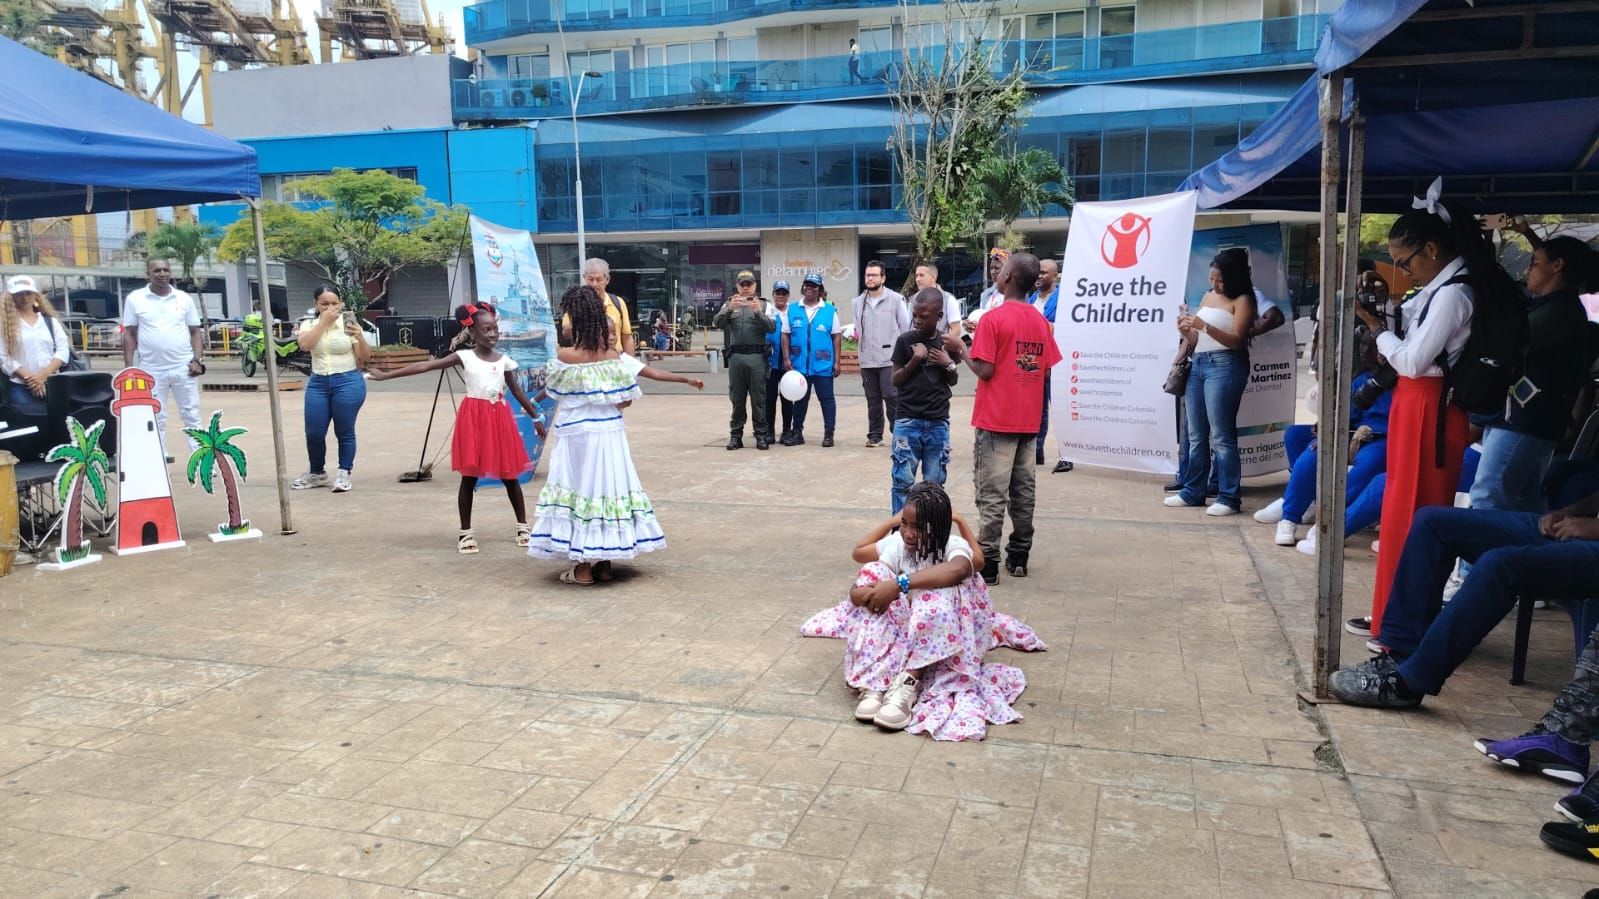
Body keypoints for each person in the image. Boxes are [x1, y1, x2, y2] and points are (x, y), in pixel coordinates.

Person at [800, 481, 1047, 739]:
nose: (908, 533)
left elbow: (962, 568)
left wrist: (899, 584)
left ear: (940, 528)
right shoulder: (899, 543)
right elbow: (860, 562)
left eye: (919, 527)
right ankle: (875, 682)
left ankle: (909, 683)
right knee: (874, 572)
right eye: (905, 523)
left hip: (951, 628)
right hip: (910, 622)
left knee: (936, 592)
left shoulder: (952, 545)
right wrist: (864, 593)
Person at [1347, 194, 1487, 645]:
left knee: (1414, 514)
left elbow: (1411, 360)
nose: (1404, 272)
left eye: (1406, 262)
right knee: (1399, 509)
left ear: (1432, 250)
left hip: (1430, 406)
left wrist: (1377, 331)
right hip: (1420, 404)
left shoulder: (1454, 293)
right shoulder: (1441, 288)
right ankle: (1392, 615)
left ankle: (1401, 626)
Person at [1326, 483, 1599, 712]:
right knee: (1432, 522)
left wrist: (1592, 528)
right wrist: (1570, 513)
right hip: (1584, 530)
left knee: (1500, 565)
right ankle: (1398, 656)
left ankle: (1410, 684)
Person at [527, 285, 704, 585]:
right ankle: (605, 563)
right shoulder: (614, 358)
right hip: (609, 434)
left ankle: (582, 567)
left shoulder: (565, 357)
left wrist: (534, 405)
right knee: (607, 490)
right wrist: (686, 379)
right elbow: (626, 398)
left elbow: (553, 391)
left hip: (575, 436)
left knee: (580, 492)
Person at [368, 304, 543, 555]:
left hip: (499, 419)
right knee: (469, 477)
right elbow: (425, 367)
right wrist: (385, 376)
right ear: (474, 332)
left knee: (509, 474)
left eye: (495, 329)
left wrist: (536, 419)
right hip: (474, 418)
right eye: (486, 329)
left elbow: (517, 392)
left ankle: (523, 527)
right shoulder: (464, 357)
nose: (492, 334)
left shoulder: (504, 361)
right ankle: (465, 532)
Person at [1466, 237, 1597, 516]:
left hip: (1526, 419)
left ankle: (1478, 561)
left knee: (1488, 496)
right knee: (1523, 505)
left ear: (1557, 266)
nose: (1528, 271)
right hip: (1528, 419)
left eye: (1535, 263)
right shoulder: (1556, 308)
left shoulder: (1560, 311)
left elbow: (1508, 343)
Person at [966, 251, 1060, 584]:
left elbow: (985, 370)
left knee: (992, 493)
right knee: (1024, 490)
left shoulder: (992, 320)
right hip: (1028, 420)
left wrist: (959, 348)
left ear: (1006, 279)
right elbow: (1045, 370)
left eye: (1001, 268)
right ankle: (1019, 555)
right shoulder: (1039, 321)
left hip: (996, 420)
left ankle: (988, 561)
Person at [1255, 332, 1392, 547]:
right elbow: (1347, 413)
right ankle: (1290, 516)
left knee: (1369, 465)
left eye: (1372, 346)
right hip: (1349, 432)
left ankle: (1329, 517)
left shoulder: (1398, 381)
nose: (1365, 350)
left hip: (1377, 438)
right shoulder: (1361, 378)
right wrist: (1331, 424)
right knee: (1313, 450)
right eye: (1363, 345)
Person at [1164, 248, 1256, 516]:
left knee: (1222, 436)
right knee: (1195, 434)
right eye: (1212, 279)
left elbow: (1238, 340)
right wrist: (1186, 331)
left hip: (1225, 365)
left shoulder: (1243, 300)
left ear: (1234, 277)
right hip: (1199, 363)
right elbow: (1196, 340)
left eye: (1220, 280)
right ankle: (1193, 491)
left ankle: (1228, 497)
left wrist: (1205, 327)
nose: (1214, 285)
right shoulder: (1207, 296)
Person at [889, 289, 962, 513]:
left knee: (934, 483)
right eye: (916, 315)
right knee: (903, 481)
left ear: (939, 316)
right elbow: (895, 380)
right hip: (907, 420)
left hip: (937, 421)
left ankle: (931, 528)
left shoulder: (946, 342)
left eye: (924, 316)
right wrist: (914, 360)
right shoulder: (905, 341)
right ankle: (900, 531)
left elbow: (953, 380)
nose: (918, 321)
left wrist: (947, 362)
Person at [291, 286, 371, 493]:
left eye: (335, 303)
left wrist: (360, 336)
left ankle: (344, 473)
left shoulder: (348, 324)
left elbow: (365, 357)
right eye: (324, 304)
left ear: (341, 303)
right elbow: (305, 345)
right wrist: (323, 323)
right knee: (314, 432)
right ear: (316, 304)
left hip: (348, 380)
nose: (330, 308)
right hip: (318, 382)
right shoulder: (309, 324)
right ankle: (317, 473)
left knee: (344, 431)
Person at [122, 258, 204, 451]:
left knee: (191, 415)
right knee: (156, 417)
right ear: (148, 275)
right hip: (151, 369)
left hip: (183, 368)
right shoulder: (135, 299)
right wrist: (129, 368)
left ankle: (201, 460)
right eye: (157, 271)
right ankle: (159, 461)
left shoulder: (183, 299)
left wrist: (197, 360)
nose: (162, 274)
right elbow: (130, 334)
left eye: (166, 270)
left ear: (170, 273)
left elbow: (195, 331)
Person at [714, 270, 776, 450]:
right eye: (743, 284)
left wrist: (758, 313)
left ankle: (761, 435)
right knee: (737, 399)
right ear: (737, 286)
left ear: (755, 286)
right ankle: (736, 436)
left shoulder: (764, 305)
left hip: (757, 358)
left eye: (749, 284)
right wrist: (729, 309)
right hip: (736, 358)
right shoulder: (729, 303)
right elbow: (717, 323)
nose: (746, 287)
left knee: (759, 399)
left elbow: (772, 327)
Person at [853, 260, 909, 448]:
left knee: (892, 397)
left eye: (874, 275)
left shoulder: (895, 299)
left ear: (883, 278)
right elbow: (857, 329)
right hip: (867, 360)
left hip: (889, 359)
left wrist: (903, 356)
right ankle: (875, 435)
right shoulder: (858, 302)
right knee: (873, 400)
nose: (870, 278)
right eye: (868, 275)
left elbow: (905, 328)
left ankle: (899, 433)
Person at [782, 273, 843, 447]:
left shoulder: (829, 311)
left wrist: (837, 362)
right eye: (807, 285)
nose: (810, 288)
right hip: (799, 364)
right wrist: (787, 358)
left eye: (814, 286)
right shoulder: (792, 309)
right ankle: (797, 433)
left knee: (827, 400)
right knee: (800, 399)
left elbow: (836, 337)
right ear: (802, 287)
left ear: (820, 290)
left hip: (822, 364)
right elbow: (785, 335)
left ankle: (829, 434)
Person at [0, 276, 70, 416]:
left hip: (52, 385)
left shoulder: (50, 322)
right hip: (19, 387)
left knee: (57, 426)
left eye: (28, 293)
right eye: (19, 294)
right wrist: (31, 379)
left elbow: (63, 350)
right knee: (28, 428)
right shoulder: (4, 325)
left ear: (36, 296)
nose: (24, 298)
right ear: (11, 298)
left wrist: (42, 376)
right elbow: (3, 357)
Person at [1028, 258, 1069, 472]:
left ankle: (1068, 454)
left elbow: (1068, 326)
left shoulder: (1064, 297)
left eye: (1044, 272)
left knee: (1060, 408)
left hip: (1058, 362)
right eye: (1037, 272)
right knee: (1038, 408)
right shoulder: (1032, 298)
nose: (1039, 275)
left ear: (1055, 276)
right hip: (1035, 363)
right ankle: (1037, 449)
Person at [559, 258, 635, 354]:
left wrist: (631, 365)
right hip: (587, 360)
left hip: (616, 360)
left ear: (607, 279)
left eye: (599, 280)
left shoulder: (618, 302)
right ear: (584, 278)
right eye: (590, 279)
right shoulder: (576, 303)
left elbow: (626, 337)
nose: (594, 284)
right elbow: (567, 333)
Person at [762, 280, 796, 445]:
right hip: (769, 363)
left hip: (787, 364)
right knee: (769, 399)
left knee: (787, 399)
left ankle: (786, 431)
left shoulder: (793, 312)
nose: (781, 296)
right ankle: (769, 431)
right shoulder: (767, 312)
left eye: (784, 293)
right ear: (773, 294)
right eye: (778, 293)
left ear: (788, 295)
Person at [912, 262, 962, 338]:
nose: (918, 279)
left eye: (921, 275)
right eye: (916, 276)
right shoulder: (913, 299)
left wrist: (941, 346)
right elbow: (908, 327)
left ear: (933, 277)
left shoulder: (948, 299)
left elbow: (956, 329)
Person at [976, 248, 1009, 313]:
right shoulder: (985, 294)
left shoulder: (1016, 294)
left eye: (997, 268)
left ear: (1007, 270)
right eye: (991, 268)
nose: (993, 272)